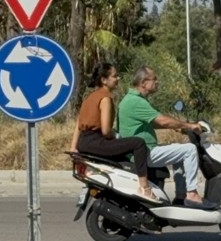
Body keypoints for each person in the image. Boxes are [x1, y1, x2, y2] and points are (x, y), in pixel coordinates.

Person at [118, 66, 211, 208]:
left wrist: (179, 127)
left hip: (143, 150)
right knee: (190, 149)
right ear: (143, 83)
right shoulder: (136, 102)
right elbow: (162, 120)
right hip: (144, 153)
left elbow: (153, 123)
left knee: (179, 152)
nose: (157, 82)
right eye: (154, 79)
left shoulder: (133, 99)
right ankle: (192, 193)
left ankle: (180, 196)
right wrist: (190, 126)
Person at [68, 62, 160, 204]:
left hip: (84, 143)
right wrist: (116, 135)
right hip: (97, 142)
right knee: (138, 143)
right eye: (114, 76)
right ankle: (144, 188)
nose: (118, 78)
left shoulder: (89, 97)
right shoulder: (105, 98)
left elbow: (78, 125)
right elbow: (105, 131)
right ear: (104, 80)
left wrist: (74, 148)